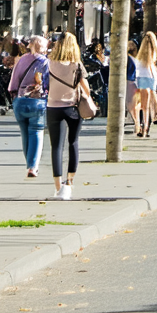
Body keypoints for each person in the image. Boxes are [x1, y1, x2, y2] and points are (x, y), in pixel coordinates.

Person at [46, 35, 91, 200]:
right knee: (73, 142)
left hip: (53, 107)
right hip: (72, 107)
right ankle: (69, 184)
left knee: (56, 147)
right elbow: (86, 89)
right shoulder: (76, 65)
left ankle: (58, 187)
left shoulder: (49, 64)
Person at [7, 36, 51, 178]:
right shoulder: (46, 62)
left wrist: (15, 96)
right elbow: (48, 84)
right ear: (43, 47)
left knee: (24, 133)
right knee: (36, 131)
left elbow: (14, 81)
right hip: (37, 102)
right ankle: (32, 167)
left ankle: (30, 164)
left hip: (20, 101)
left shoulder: (22, 60)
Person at [132, 32, 157, 138]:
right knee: (148, 105)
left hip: (141, 78)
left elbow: (136, 69)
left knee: (139, 106)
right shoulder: (153, 53)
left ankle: (140, 127)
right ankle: (147, 127)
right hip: (151, 77)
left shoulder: (139, 57)